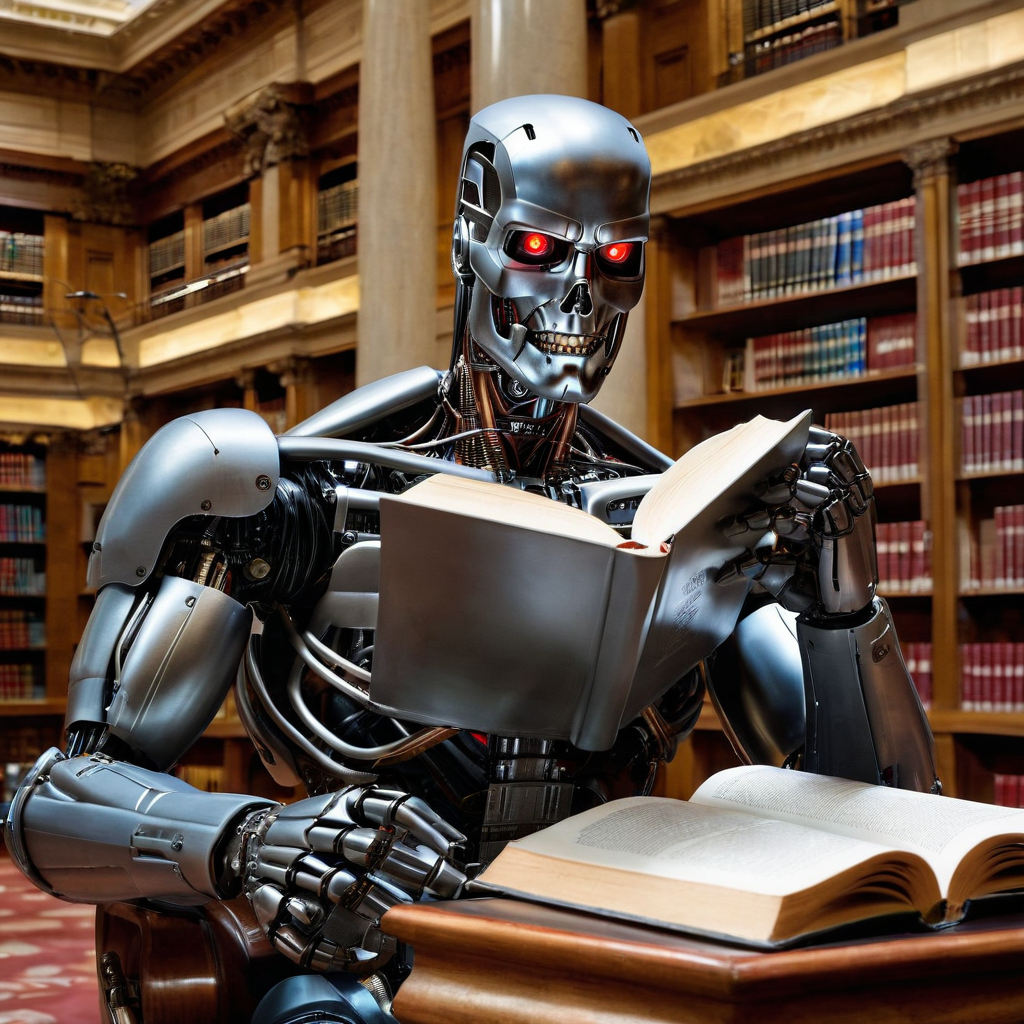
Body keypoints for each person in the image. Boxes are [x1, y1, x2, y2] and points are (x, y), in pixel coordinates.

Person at [4, 95, 938, 1024]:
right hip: (374, 954)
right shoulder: (281, 492)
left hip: (616, 945)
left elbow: (883, 821)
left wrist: (842, 602)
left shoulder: (683, 511)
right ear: (470, 240)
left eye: (614, 261)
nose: (579, 295)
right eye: (538, 250)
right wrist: (248, 838)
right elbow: (52, 799)